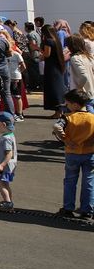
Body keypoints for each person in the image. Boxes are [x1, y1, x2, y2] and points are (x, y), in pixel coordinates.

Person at [54, 90, 94, 220]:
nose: (66, 106)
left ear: (75, 104)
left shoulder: (67, 117)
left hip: (72, 153)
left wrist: (64, 139)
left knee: (70, 181)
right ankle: (87, 210)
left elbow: (57, 127)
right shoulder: (92, 117)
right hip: (90, 153)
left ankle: (68, 208)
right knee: (89, 181)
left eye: (68, 103)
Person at [0, 112, 17, 211]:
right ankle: (9, 202)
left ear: (3, 125)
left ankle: (7, 203)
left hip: (5, 166)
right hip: (10, 165)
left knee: (0, 182)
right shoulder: (10, 135)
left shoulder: (6, 138)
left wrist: (2, 165)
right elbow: (6, 149)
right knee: (5, 183)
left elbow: (9, 153)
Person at [41, 24, 67, 117]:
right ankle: (60, 110)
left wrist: (37, 49)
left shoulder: (48, 41)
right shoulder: (56, 40)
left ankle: (58, 111)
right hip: (57, 66)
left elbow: (47, 54)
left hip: (51, 67)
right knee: (58, 87)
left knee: (53, 88)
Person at [64, 35, 94, 101]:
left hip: (82, 96)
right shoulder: (88, 57)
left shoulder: (75, 58)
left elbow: (84, 76)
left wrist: (78, 89)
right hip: (90, 93)